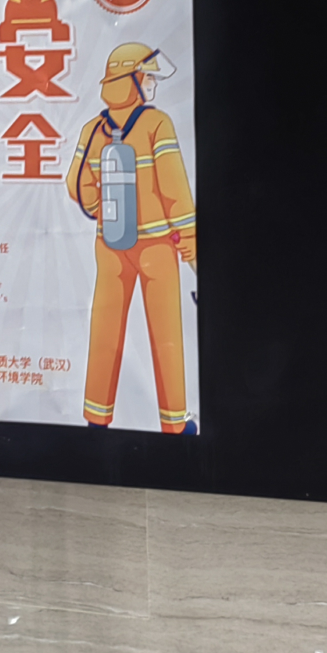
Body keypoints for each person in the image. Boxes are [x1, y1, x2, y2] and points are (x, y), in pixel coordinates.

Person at [66, 44, 197, 433]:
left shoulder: (92, 129)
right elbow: (174, 190)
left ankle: (96, 420)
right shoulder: (157, 124)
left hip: (110, 246)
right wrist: (190, 243)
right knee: (166, 337)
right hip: (157, 246)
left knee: (105, 333)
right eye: (148, 76)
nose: (153, 83)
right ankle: (174, 426)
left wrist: (103, 212)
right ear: (134, 80)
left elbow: (75, 184)